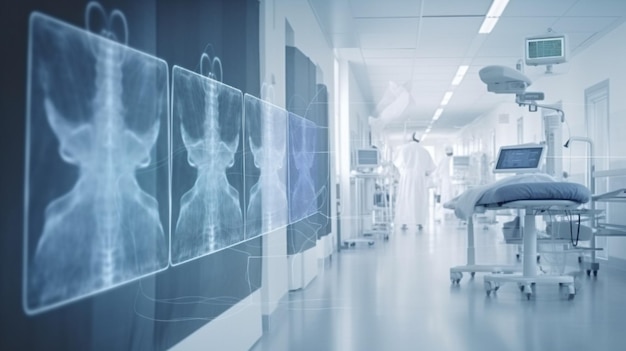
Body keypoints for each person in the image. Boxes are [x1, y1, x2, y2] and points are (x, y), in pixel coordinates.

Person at [392, 132, 436, 230]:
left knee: (405, 198)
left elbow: (397, 163)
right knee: (419, 199)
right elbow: (430, 168)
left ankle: (404, 223)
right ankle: (419, 222)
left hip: (407, 176)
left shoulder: (404, 149)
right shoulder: (424, 151)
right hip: (420, 177)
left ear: (411, 138)